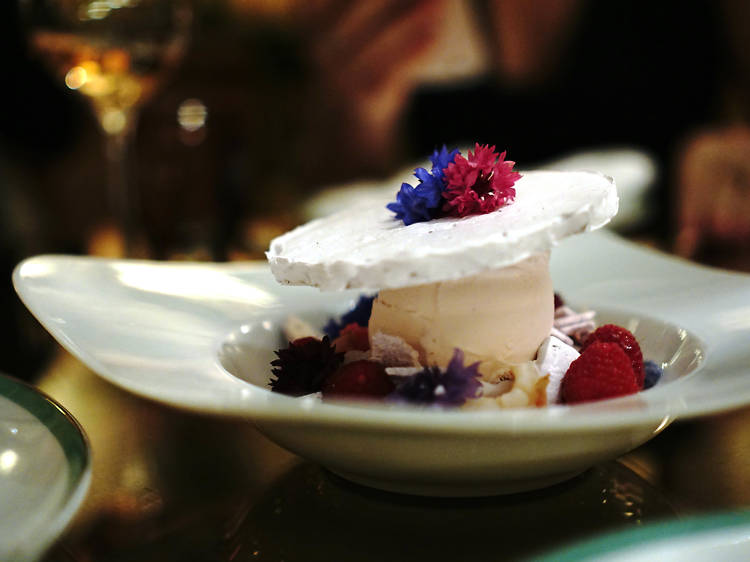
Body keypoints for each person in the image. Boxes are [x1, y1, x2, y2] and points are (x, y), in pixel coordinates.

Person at [295, 0, 750, 258]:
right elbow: (331, 191)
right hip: (434, 326)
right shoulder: (392, 15)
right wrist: (361, 115)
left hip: (664, 308)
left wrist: (726, 152)